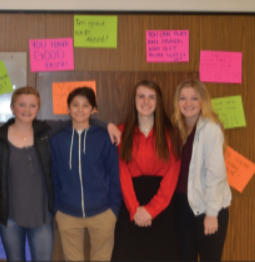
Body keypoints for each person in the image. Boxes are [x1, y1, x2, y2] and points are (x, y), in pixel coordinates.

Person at [0, 86, 121, 261]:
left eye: (32, 105)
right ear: (12, 107)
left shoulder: (47, 132)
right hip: (25, 215)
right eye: (21, 104)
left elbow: (81, 122)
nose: (27, 110)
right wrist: (60, 209)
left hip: (55, 214)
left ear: (38, 108)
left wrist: (108, 125)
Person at [50, 87, 122, 261]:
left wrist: (113, 209)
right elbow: (53, 176)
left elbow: (114, 175)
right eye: (75, 105)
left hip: (103, 212)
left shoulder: (105, 137)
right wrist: (58, 208)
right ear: (68, 108)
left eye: (85, 105)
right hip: (67, 213)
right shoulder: (57, 139)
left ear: (93, 109)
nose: (80, 110)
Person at [112, 80, 181, 261]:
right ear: (134, 100)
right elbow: (122, 173)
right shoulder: (121, 132)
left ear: (158, 101)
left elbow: (172, 176)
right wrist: (135, 210)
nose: (146, 102)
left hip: (162, 208)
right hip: (130, 207)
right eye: (141, 96)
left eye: (152, 97)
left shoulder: (172, 134)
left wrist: (151, 210)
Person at [171, 78, 231, 261]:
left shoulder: (210, 129)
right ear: (177, 102)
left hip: (207, 207)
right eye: (183, 98)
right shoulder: (177, 128)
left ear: (202, 101)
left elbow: (216, 175)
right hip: (182, 206)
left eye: (194, 98)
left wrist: (212, 214)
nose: (188, 103)